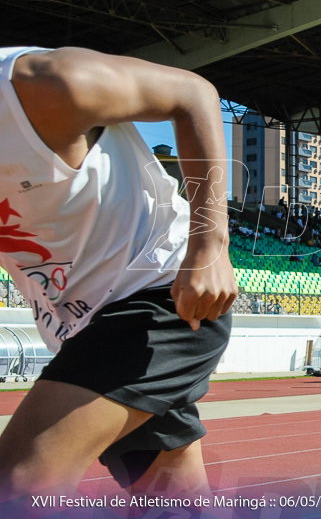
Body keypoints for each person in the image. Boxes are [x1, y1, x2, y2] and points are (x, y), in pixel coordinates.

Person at [0, 47, 237, 502]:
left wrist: (209, 247)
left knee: (20, 485)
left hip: (158, 295)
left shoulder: (48, 84)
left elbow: (193, 93)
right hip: (80, 324)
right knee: (173, 498)